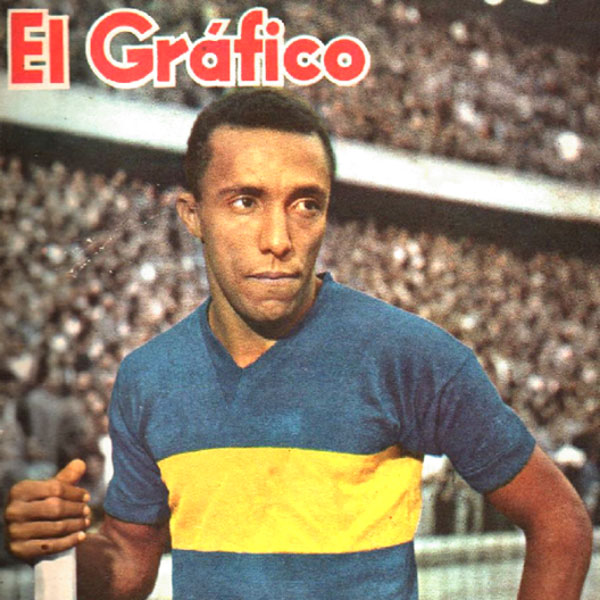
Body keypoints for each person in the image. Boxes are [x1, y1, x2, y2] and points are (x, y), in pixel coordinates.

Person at [4, 89, 592, 600]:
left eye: (305, 205)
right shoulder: (149, 376)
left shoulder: (409, 356)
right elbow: (131, 562)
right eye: (245, 201)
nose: (279, 239)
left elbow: (560, 522)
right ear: (193, 215)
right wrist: (56, 550)